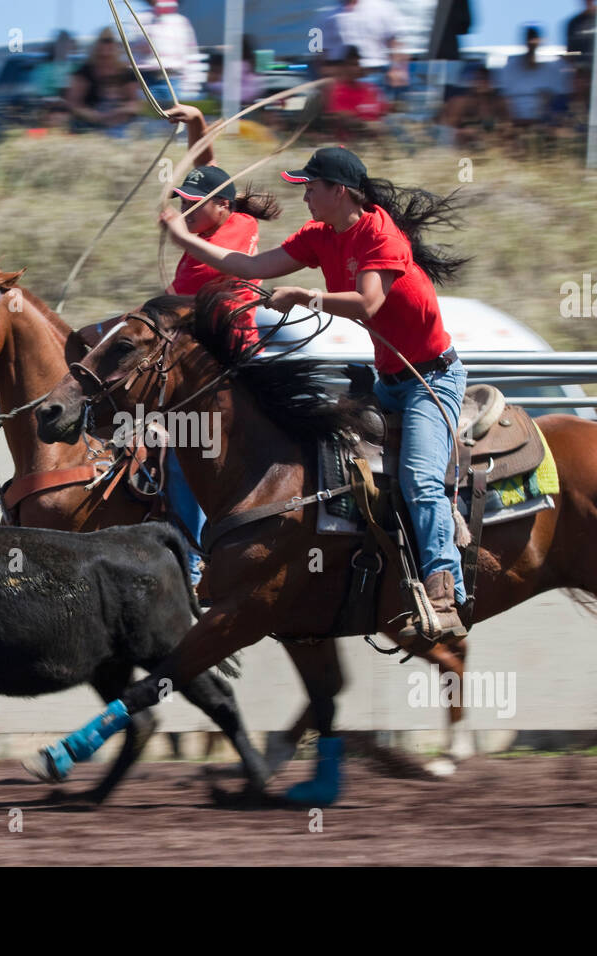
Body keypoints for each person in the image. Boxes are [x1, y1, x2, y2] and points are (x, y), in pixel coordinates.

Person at [159, 145, 470, 642]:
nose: (304, 195)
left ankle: (443, 589)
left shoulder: (379, 234)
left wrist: (309, 296)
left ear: (337, 191)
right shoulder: (321, 236)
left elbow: (368, 303)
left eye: (310, 186)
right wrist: (182, 237)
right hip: (390, 380)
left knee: (418, 478)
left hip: (430, 381)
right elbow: (249, 263)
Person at [157, 102, 282, 592]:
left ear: (224, 207)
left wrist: (178, 233)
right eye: (184, 200)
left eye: (195, 201)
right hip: (200, 360)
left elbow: (209, 255)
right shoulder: (220, 217)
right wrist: (195, 124)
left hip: (231, 360)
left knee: (190, 446)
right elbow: (207, 171)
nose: (188, 206)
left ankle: (193, 558)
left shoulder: (234, 232)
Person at [317, 0, 408, 93]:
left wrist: (397, 69)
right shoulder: (328, 17)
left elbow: (396, 42)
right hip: (340, 80)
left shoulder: (382, 8)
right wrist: (324, 76)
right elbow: (322, 51)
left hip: (374, 76)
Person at [65, 27, 141, 136]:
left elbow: (135, 103)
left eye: (109, 54)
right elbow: (73, 103)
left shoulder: (126, 73)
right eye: (102, 55)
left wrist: (119, 112)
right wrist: (94, 116)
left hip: (121, 124)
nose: (105, 56)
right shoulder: (84, 72)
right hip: (89, 124)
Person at [497, 25, 569, 130]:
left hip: (546, 126)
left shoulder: (553, 68)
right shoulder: (509, 68)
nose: (531, 43)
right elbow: (503, 100)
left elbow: (557, 102)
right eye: (529, 39)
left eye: (534, 39)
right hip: (514, 126)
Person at [436, 64, 510, 149]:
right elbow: (447, 131)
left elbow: (507, 126)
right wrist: (465, 133)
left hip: (488, 148)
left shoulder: (499, 103)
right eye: (479, 79)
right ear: (471, 82)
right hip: (460, 150)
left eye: (486, 79)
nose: (483, 83)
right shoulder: (460, 102)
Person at [326, 46, 388, 138]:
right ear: (344, 67)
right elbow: (345, 120)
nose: (358, 68)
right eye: (353, 64)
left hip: (378, 139)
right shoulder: (337, 91)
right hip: (354, 141)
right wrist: (368, 125)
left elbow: (385, 112)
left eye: (358, 64)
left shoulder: (371, 88)